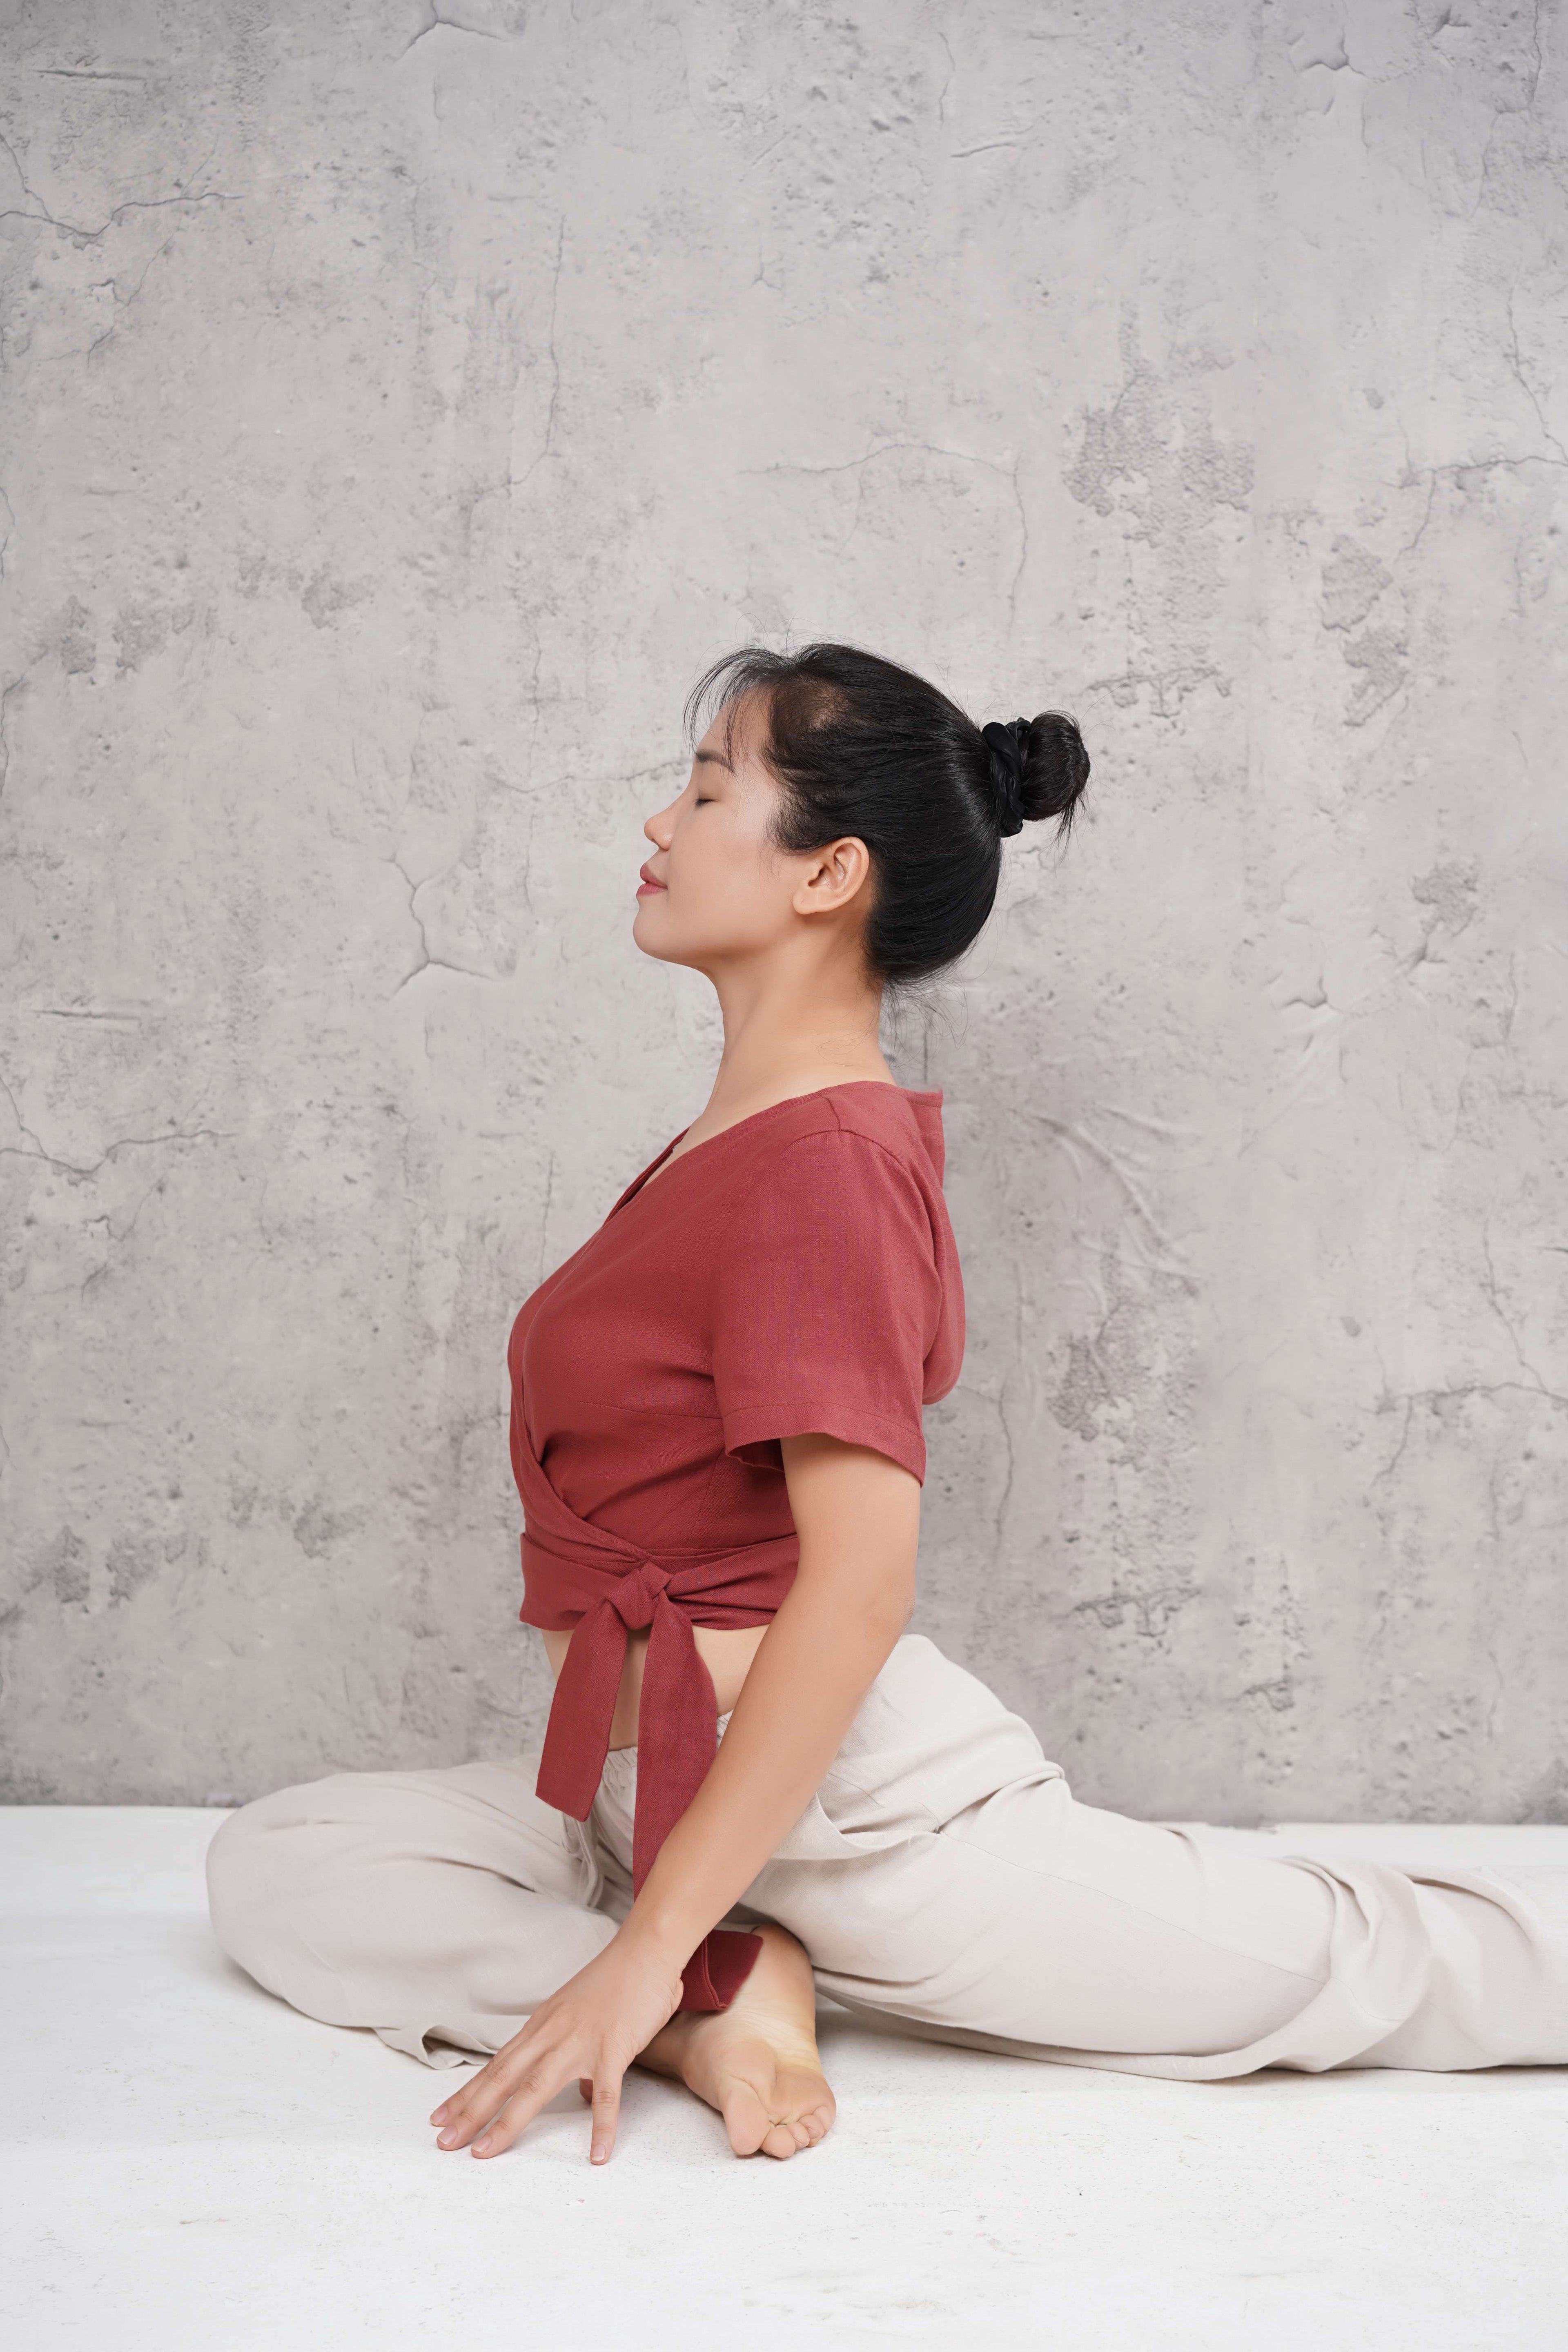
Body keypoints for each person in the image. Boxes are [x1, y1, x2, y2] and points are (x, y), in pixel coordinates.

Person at [206, 642, 1567, 2167]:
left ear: (828, 873)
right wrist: (663, 1929)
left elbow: (858, 1585)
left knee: (1359, 1970)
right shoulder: (744, 1135)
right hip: (637, 1797)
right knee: (289, 1859)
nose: (660, 826)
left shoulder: (822, 1166)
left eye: (711, 790)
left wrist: (644, 1936)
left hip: (854, 1820)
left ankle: (680, 1959)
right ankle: (721, 1991)